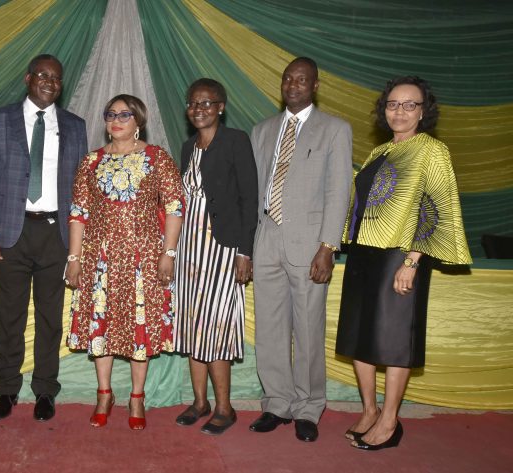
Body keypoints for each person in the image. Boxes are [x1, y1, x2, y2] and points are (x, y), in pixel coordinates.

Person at [335, 76, 471, 450]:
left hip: (401, 255)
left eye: (410, 104)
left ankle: (390, 421)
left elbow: (437, 206)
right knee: (358, 336)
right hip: (363, 252)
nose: (400, 111)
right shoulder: (379, 151)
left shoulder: (432, 151)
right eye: (393, 104)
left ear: (424, 111)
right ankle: (369, 411)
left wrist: (412, 261)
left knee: (394, 341)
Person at [0, 54, 88, 422]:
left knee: (50, 318)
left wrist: (78, 243)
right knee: (9, 317)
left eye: (56, 78)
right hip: (10, 232)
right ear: (28, 79)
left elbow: (81, 186)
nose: (49, 82)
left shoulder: (75, 125)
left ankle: (45, 390)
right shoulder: (1, 119)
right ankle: (7, 389)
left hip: (56, 234)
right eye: (43, 75)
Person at [65, 94, 184, 430]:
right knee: (100, 325)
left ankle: (136, 397)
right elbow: (78, 212)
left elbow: (174, 207)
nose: (116, 120)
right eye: (110, 114)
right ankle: (104, 394)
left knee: (138, 328)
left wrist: (168, 253)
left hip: (142, 258)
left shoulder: (156, 158)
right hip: (99, 259)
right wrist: (74, 258)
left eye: (124, 114)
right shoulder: (91, 161)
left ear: (139, 121)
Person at [249, 57, 352, 442]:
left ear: (315, 86)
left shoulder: (335, 129)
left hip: (310, 245)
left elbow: (338, 191)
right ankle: (277, 403)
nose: (293, 85)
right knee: (270, 328)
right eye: (288, 79)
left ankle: (309, 407)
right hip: (267, 239)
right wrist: (249, 246)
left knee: (308, 329)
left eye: (302, 80)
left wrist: (328, 246)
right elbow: (255, 190)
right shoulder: (262, 130)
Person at [173, 79, 258, 435]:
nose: (199, 109)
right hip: (189, 250)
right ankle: (200, 402)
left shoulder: (236, 140)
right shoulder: (187, 147)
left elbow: (249, 199)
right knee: (192, 323)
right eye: (194, 103)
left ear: (221, 107)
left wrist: (245, 251)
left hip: (223, 249)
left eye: (207, 103)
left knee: (217, 326)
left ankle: (225, 407)